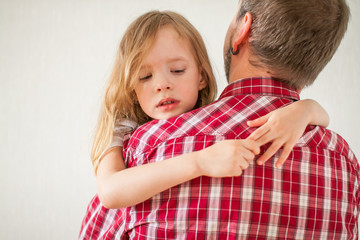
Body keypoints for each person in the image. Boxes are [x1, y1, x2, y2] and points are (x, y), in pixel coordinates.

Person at [79, 10, 333, 240]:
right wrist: (200, 161)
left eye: (177, 70)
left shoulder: (211, 117)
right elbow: (111, 191)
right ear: (132, 91)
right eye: (145, 76)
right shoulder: (122, 129)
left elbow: (323, 116)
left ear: (201, 76)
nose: (162, 84)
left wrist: (304, 109)